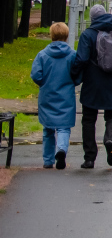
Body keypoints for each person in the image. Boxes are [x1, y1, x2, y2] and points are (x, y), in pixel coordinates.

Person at [72, 4, 112, 169]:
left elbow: (82, 59)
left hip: (92, 83)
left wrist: (74, 75)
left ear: (92, 18)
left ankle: (90, 158)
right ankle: (110, 140)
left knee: (89, 119)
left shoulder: (88, 35)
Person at [30, 22, 79, 169]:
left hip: (47, 95)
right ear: (66, 35)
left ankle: (47, 160)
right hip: (66, 96)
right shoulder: (72, 55)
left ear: (52, 35)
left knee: (48, 128)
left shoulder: (43, 55)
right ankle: (61, 149)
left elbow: (35, 75)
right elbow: (78, 74)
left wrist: (44, 83)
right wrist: (72, 83)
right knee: (64, 127)